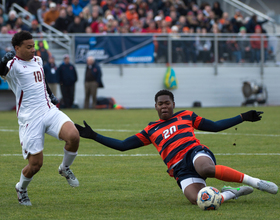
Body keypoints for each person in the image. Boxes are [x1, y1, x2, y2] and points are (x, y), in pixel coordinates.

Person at [75, 90, 278, 205]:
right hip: (179, 169)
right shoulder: (150, 130)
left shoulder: (186, 116)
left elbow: (214, 127)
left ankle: (257, 182)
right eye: (160, 103)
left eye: (167, 103)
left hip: (194, 153)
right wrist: (93, 136)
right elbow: (123, 146)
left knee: (205, 168)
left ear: (173, 104)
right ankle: (231, 193)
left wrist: (242, 117)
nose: (164, 106)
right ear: (155, 106)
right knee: (201, 201)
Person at [0, 31, 80, 206]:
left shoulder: (38, 60)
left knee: (74, 135)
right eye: (28, 47)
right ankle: (21, 188)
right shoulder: (12, 65)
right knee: (36, 165)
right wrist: (3, 62)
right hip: (30, 118)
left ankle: (64, 168)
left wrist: (50, 95)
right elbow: (2, 72)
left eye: (33, 46)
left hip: (48, 110)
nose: (32, 50)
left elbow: (41, 81)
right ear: (17, 48)